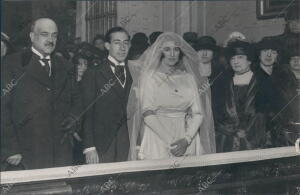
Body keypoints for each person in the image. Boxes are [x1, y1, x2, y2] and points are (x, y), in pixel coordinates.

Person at [1, 18, 82, 170]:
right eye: (44, 34)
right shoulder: (12, 64)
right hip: (26, 153)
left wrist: (74, 119)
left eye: (54, 35)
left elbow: (77, 101)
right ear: (32, 37)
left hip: (61, 151)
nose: (50, 40)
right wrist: (10, 149)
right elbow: (2, 110)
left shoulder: (66, 66)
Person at [128, 32, 215, 160]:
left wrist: (186, 139)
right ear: (159, 52)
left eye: (176, 50)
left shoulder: (188, 78)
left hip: (186, 137)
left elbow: (198, 113)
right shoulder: (150, 77)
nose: (172, 54)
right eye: (167, 50)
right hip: (158, 136)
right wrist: (172, 143)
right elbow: (147, 112)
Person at [81, 27, 132, 163]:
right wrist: (89, 147)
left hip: (129, 141)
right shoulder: (93, 73)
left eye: (125, 43)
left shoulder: (135, 72)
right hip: (101, 144)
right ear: (107, 46)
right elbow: (87, 112)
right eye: (117, 43)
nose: (122, 48)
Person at [216, 40, 267, 152]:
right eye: (232, 58)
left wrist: (247, 131)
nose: (236, 62)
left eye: (240, 57)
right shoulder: (222, 83)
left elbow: (266, 114)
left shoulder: (263, 82)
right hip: (227, 139)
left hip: (255, 138)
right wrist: (231, 130)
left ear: (249, 60)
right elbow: (217, 113)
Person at [255, 37, 298, 147]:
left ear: (277, 55)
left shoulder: (285, 74)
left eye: (273, 52)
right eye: (265, 51)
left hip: (282, 131)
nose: (269, 55)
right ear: (258, 54)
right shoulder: (252, 75)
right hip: (257, 130)